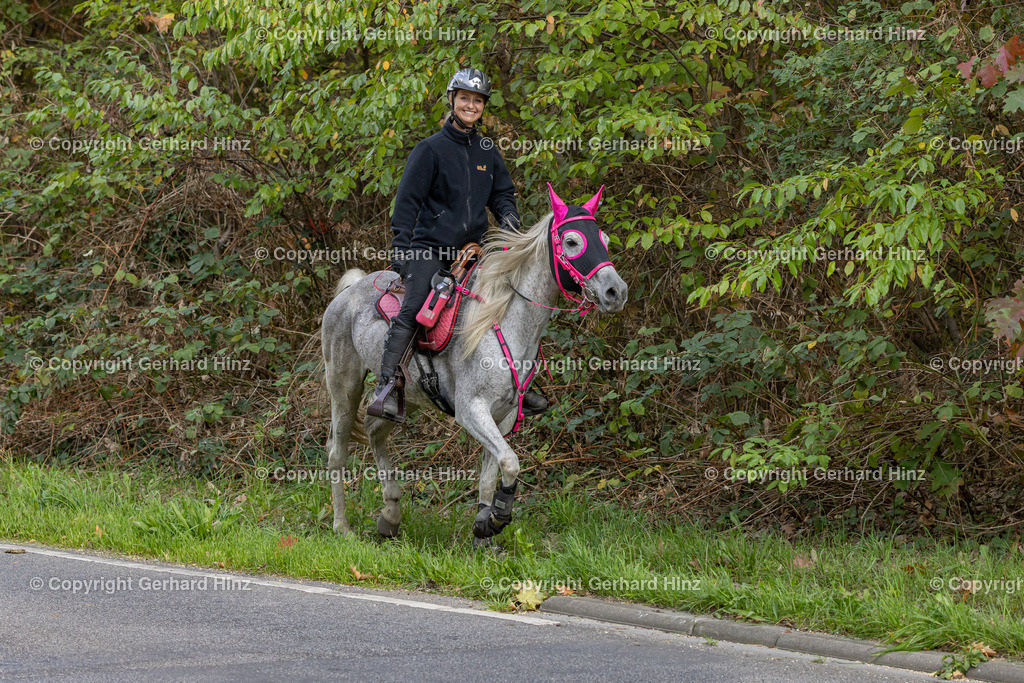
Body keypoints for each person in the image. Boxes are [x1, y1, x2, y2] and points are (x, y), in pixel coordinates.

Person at [367, 67, 548, 421]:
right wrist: (403, 255)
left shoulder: (487, 150)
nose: (470, 105)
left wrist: (510, 225)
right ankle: (387, 385)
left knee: (517, 298)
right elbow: (406, 207)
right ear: (452, 101)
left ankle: (517, 385)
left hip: (475, 250)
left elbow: (503, 196)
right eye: (464, 98)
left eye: (477, 100)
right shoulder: (429, 149)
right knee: (414, 308)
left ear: (483, 107)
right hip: (430, 250)